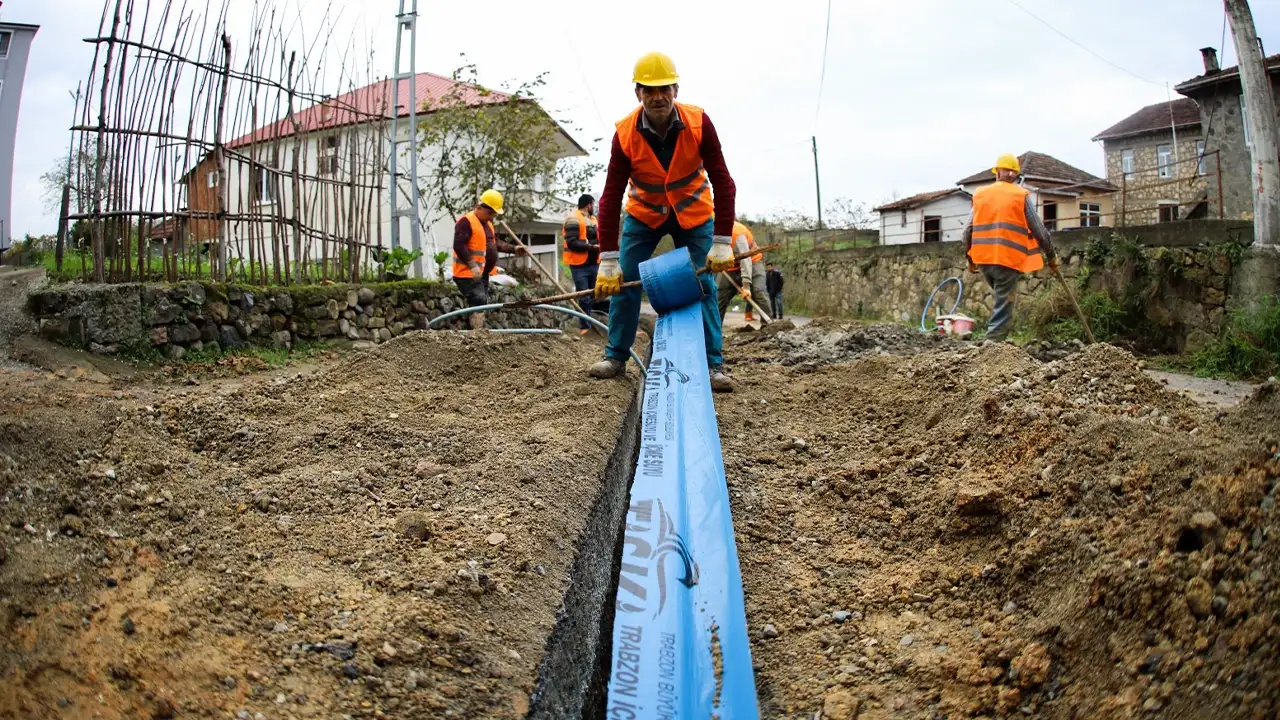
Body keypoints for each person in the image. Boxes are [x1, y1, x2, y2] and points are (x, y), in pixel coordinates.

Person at [590, 51, 739, 391]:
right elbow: (611, 197)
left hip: (694, 211)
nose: (657, 97)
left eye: (664, 89)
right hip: (645, 214)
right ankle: (616, 356)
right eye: (648, 90)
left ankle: (714, 364)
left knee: (705, 283)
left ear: (675, 89)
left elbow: (723, 181)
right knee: (625, 282)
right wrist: (609, 259)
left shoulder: (700, 122)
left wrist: (721, 240)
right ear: (637, 93)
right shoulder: (625, 134)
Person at [963, 153, 1058, 342]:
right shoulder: (1019, 195)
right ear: (1015, 175)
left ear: (997, 172)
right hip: (1007, 260)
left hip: (984, 260)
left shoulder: (981, 194)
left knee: (1001, 301)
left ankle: (996, 347)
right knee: (1003, 306)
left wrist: (970, 258)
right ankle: (991, 348)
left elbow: (967, 231)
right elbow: (1039, 230)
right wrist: (1052, 256)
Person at [451, 189, 526, 329]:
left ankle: (476, 332)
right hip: (467, 273)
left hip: (482, 273)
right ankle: (476, 333)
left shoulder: (488, 225)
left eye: (494, 214)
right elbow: (459, 245)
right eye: (490, 213)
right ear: (479, 207)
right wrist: (472, 265)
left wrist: (514, 249)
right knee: (478, 300)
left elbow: (495, 243)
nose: (492, 217)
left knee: (481, 301)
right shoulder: (466, 222)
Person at [563, 194, 601, 336]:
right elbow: (572, 243)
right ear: (588, 204)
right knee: (583, 295)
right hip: (579, 265)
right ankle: (584, 326)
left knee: (593, 294)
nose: (594, 207)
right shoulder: (573, 218)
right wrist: (592, 247)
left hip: (593, 263)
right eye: (593, 204)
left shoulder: (593, 220)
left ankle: (590, 321)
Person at [716, 220, 765, 323]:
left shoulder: (736, 233)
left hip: (752, 261)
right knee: (719, 298)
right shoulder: (706, 234)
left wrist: (746, 286)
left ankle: (769, 327)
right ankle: (714, 332)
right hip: (729, 266)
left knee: (759, 292)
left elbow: (745, 259)